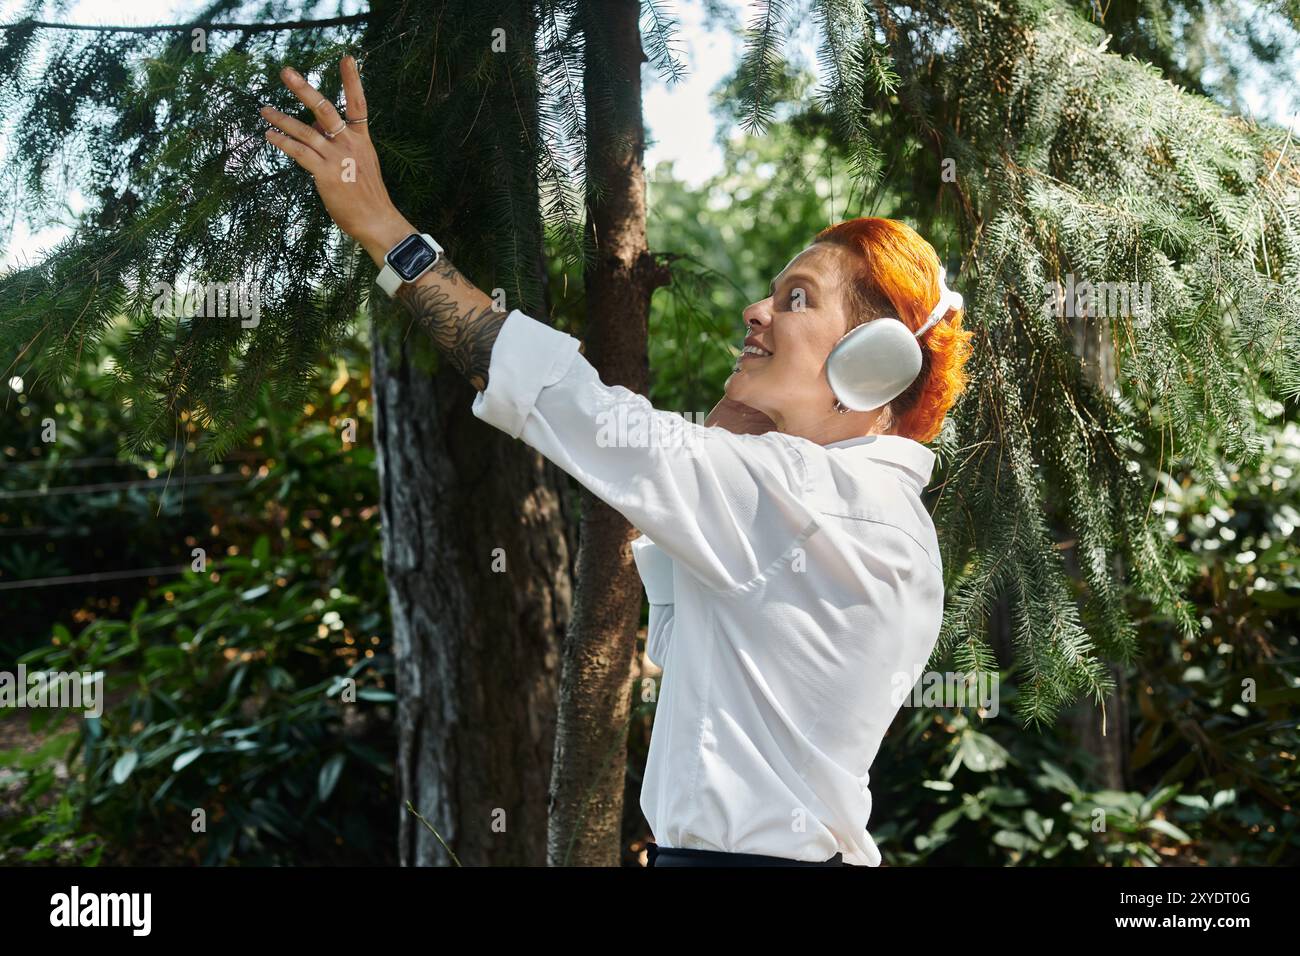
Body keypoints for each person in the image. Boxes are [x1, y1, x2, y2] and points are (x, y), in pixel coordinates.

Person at [261, 57, 975, 867]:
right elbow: (682, 626)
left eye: (797, 299)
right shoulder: (832, 508)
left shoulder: (821, 505)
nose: (758, 308)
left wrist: (387, 233)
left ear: (872, 366)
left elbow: (590, 416)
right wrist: (745, 412)